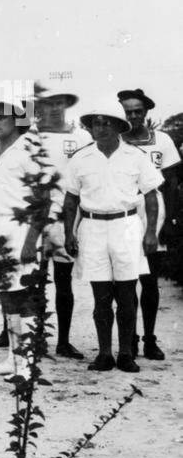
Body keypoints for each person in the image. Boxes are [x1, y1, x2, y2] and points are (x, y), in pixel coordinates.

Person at [63, 108, 163, 373]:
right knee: (101, 298)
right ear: (90, 127)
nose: (102, 128)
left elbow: (151, 196)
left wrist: (151, 231)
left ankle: (126, 353)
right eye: (96, 123)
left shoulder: (136, 156)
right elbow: (71, 198)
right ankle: (105, 353)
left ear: (120, 127)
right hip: (93, 227)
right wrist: (68, 233)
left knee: (127, 295)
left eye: (108, 123)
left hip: (127, 226)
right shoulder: (81, 158)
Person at [0, 101, 49, 375]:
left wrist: (30, 241)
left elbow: (43, 200)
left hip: (19, 228)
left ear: (17, 120)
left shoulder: (29, 150)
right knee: (5, 295)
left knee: (23, 294)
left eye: (2, 118)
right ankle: (14, 360)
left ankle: (27, 365)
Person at [29, 88, 92, 359]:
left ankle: (63, 341)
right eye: (48, 103)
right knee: (35, 279)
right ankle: (36, 338)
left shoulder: (81, 137)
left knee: (64, 281)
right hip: (36, 216)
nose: (54, 109)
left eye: (60, 104)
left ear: (67, 105)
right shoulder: (30, 136)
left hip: (67, 218)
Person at [119, 87, 179, 360]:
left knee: (150, 281)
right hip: (125, 216)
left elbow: (172, 183)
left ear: (146, 112)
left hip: (156, 215)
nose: (133, 116)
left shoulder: (162, 140)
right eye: (128, 111)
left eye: (138, 111)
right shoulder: (117, 140)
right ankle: (129, 338)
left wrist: (167, 223)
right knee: (127, 283)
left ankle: (150, 339)